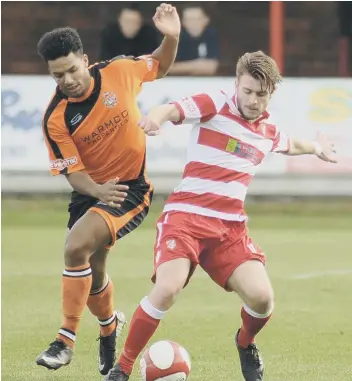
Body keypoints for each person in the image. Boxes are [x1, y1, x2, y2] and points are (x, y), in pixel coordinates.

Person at [103, 51, 337, 381]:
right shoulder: (215, 104)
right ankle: (122, 368)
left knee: (263, 299)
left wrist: (316, 148)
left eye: (261, 94)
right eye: (248, 91)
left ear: (271, 94)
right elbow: (171, 108)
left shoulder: (267, 132)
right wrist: (155, 118)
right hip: (185, 219)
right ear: (237, 85)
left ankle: (245, 342)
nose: (253, 100)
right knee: (167, 289)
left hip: (229, 230)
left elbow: (290, 144)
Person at [35, 3, 181, 376]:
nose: (66, 79)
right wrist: (97, 190)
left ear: (85, 59)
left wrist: (172, 36)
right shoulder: (56, 117)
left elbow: (160, 66)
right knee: (93, 272)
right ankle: (108, 326)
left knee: (74, 246)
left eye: (71, 69)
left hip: (130, 189)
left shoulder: (119, 71)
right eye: (57, 75)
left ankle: (65, 340)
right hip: (93, 191)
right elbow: (74, 176)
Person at [169, 5, 220, 76]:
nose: (193, 23)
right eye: (189, 19)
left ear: (206, 20)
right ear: (183, 22)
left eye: (197, 19)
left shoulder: (211, 34)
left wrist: (180, 67)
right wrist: (198, 65)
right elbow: (165, 68)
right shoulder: (175, 38)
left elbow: (211, 68)